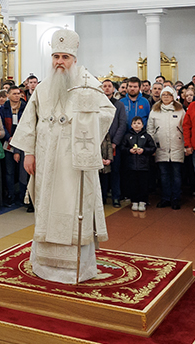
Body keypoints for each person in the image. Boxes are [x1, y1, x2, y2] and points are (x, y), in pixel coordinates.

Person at [10, 29, 116, 283]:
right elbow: (29, 123)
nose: (59, 61)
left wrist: (82, 125)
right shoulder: (43, 88)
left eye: (65, 57)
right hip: (46, 161)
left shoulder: (88, 85)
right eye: (56, 56)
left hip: (74, 163)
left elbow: (107, 112)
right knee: (46, 207)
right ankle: (45, 265)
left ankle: (75, 268)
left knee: (74, 206)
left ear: (74, 59)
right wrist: (29, 153)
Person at [147, 86, 185, 209]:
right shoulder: (155, 111)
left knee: (176, 174)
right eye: (164, 95)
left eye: (169, 95)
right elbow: (150, 129)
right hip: (161, 147)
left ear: (173, 96)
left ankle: (176, 199)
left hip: (177, 146)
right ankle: (165, 198)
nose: (166, 97)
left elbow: (185, 128)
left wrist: (185, 145)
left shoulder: (180, 111)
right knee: (163, 174)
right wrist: (152, 145)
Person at [119, 116, 156, 211]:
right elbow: (122, 148)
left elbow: (152, 148)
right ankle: (134, 201)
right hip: (131, 165)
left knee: (143, 184)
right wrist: (129, 150)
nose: (136, 125)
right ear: (131, 125)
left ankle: (143, 201)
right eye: (134, 123)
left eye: (139, 123)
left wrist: (143, 150)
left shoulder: (147, 136)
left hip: (144, 166)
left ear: (142, 125)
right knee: (133, 183)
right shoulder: (127, 136)